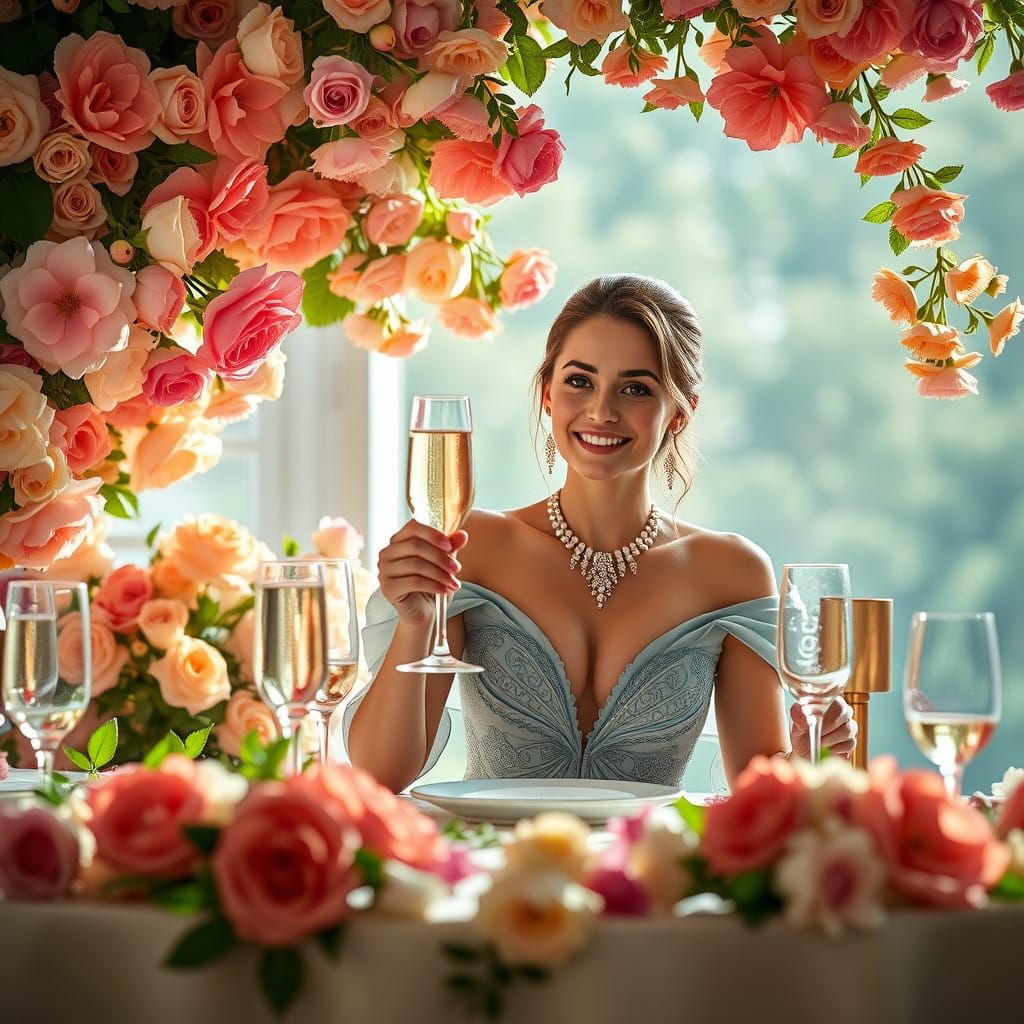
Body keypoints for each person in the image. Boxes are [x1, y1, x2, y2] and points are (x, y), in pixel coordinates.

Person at [347, 275, 855, 793]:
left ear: (679, 413)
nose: (601, 410)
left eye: (635, 388)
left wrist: (808, 760)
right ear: (547, 394)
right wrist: (416, 624)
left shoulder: (731, 571)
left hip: (652, 871)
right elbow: (378, 777)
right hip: (497, 867)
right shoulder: (472, 547)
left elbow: (758, 791)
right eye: (578, 381)